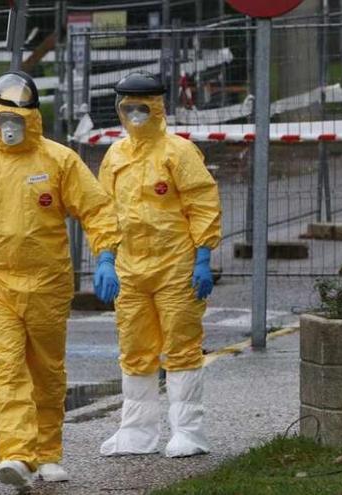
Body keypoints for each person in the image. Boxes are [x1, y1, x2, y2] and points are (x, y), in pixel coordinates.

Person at [0, 71, 122, 490]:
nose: (9, 127)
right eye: (3, 118)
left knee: (45, 369)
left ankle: (47, 453)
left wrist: (106, 256)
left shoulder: (58, 160)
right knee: (7, 369)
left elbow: (95, 209)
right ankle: (16, 455)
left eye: (17, 119)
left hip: (48, 282)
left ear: (32, 117)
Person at [98, 72, 222, 458]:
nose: (134, 113)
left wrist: (203, 255)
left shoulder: (178, 153)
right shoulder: (115, 155)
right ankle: (136, 431)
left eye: (142, 105)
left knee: (182, 346)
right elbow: (103, 210)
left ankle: (188, 431)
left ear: (157, 107)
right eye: (127, 106)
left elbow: (202, 202)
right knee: (135, 348)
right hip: (130, 269)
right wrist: (105, 256)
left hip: (176, 266)